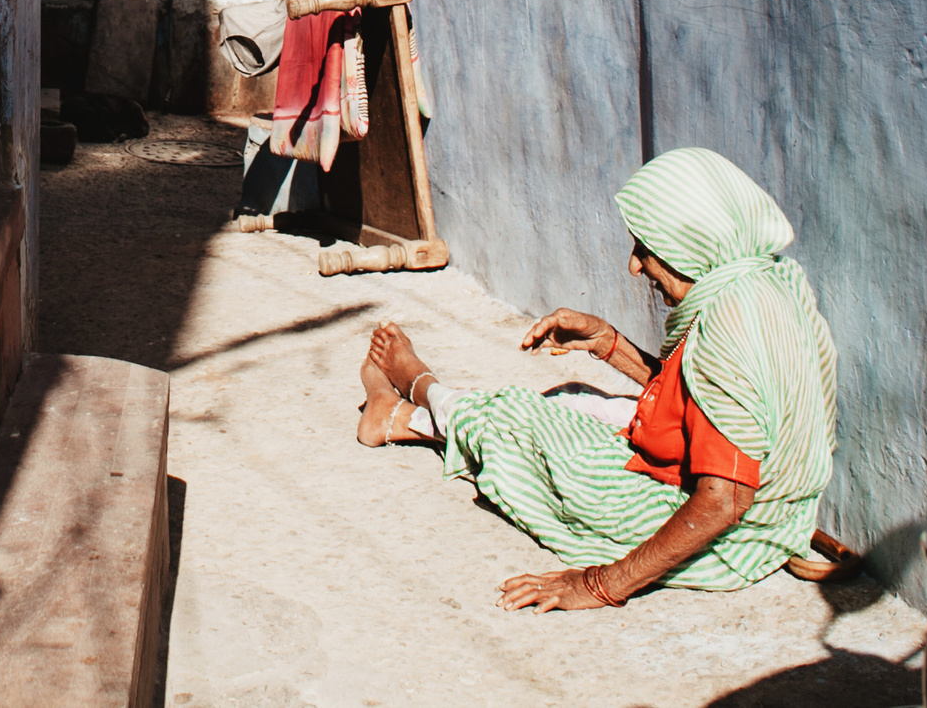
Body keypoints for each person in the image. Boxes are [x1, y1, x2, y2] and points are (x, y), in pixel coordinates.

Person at [355, 147, 839, 611]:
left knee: (515, 420)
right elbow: (697, 394)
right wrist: (609, 342)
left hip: (719, 528)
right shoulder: (766, 281)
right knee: (572, 401)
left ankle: (413, 396)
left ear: (688, 244)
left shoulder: (732, 327)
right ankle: (406, 414)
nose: (635, 265)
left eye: (645, 249)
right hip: (771, 515)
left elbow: (725, 500)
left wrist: (599, 584)